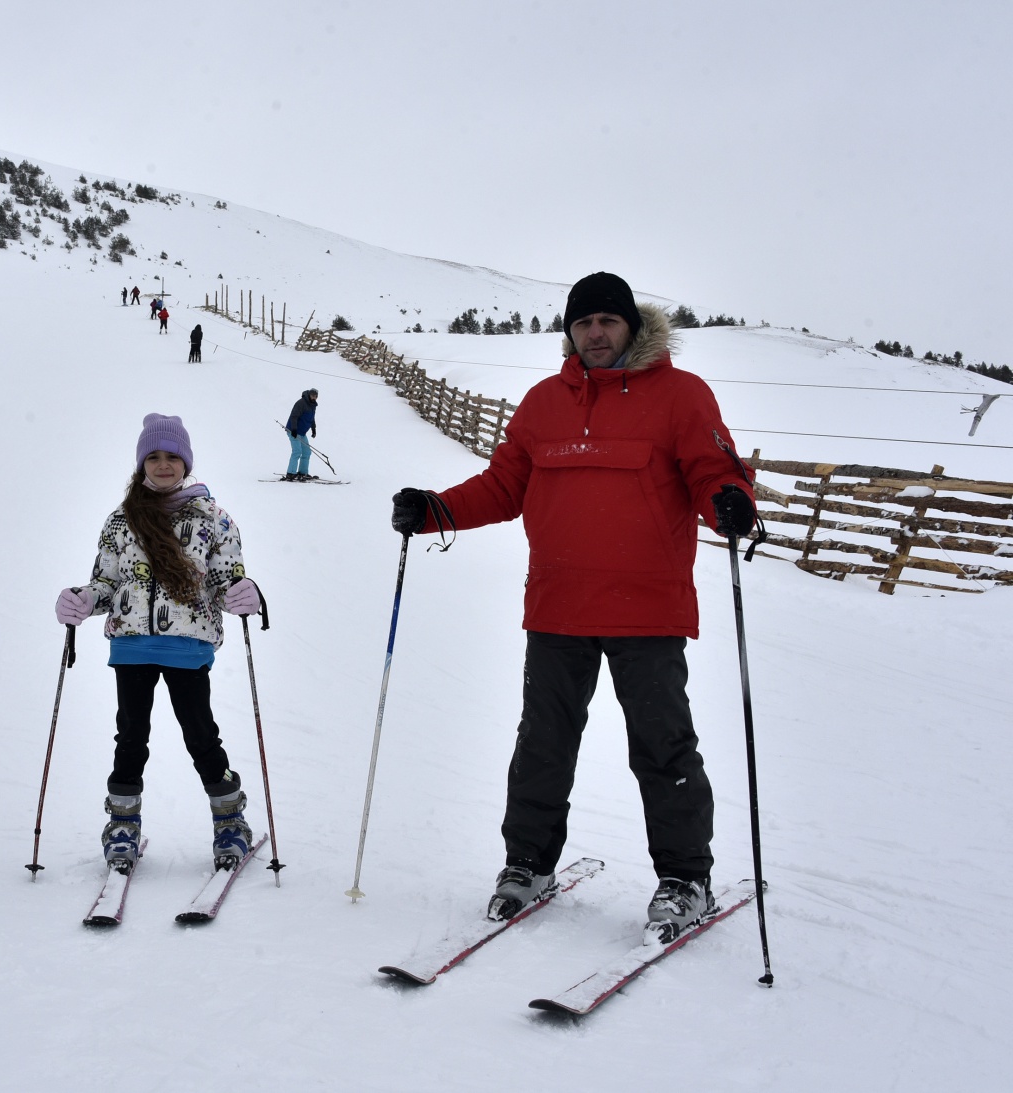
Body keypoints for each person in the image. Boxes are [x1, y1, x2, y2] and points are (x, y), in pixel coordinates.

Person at [389, 272, 757, 940]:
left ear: (631, 328)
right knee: (543, 743)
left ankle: (685, 879)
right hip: (557, 606)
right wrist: (436, 509)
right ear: (570, 331)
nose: (595, 333)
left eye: (607, 322)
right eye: (583, 323)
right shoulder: (542, 403)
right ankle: (528, 864)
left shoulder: (681, 396)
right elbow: (505, 485)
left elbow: (713, 470)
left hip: (647, 611)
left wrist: (730, 500)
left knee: (662, 747)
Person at [54, 414, 263, 875]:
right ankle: (122, 825)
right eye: (154, 456)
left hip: (188, 646)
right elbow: (107, 581)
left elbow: (226, 580)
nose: (163, 464)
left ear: (185, 462)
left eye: (172, 456)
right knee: (130, 738)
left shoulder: (214, 518)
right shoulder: (122, 519)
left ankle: (230, 819)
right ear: (141, 462)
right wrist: (84, 600)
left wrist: (240, 594)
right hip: (131, 645)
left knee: (201, 736)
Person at [283, 388, 318, 481]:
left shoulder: (312, 405)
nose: (314, 397)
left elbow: (311, 418)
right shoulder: (301, 403)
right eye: (312, 395)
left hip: (302, 433)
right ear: (309, 395)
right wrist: (294, 429)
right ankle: (290, 473)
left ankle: (303, 472)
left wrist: (313, 429)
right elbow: (294, 416)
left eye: (315, 396)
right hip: (293, 431)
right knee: (297, 451)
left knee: (307, 452)